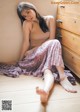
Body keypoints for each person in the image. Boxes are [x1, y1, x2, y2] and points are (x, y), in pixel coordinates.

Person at [0, 2, 77, 103]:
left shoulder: (50, 19)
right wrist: (20, 60)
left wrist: (33, 49)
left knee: (48, 70)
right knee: (55, 43)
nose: (28, 16)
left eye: (28, 12)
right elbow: (25, 42)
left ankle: (45, 92)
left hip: (47, 54)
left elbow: (51, 39)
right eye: (24, 16)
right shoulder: (27, 23)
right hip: (35, 56)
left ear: (33, 8)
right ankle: (63, 77)